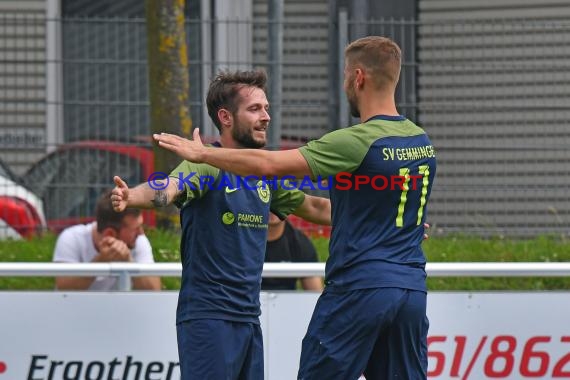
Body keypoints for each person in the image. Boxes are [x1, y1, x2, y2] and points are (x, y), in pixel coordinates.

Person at [154, 36, 436, 379]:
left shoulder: (354, 140)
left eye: (346, 74)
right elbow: (364, 204)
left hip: (360, 287)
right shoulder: (420, 142)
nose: (345, 81)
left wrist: (203, 154)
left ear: (359, 77)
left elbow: (269, 165)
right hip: (411, 291)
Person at [111, 70, 331, 379]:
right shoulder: (205, 164)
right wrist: (131, 195)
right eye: (255, 109)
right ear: (226, 117)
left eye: (267, 108)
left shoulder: (262, 173)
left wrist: (389, 222)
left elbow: (315, 206)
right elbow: (168, 187)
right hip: (208, 319)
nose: (266, 116)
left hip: (249, 319)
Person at [53, 190, 161, 291]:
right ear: (110, 234)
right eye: (135, 229)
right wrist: (99, 262)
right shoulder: (71, 238)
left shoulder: (138, 241)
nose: (141, 233)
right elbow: (64, 287)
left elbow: (154, 289)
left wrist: (129, 262)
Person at [262, 213, 323, 291]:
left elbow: (315, 294)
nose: (272, 209)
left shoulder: (300, 243)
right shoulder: (243, 241)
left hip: (287, 301)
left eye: (278, 201)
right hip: (247, 300)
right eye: (267, 201)